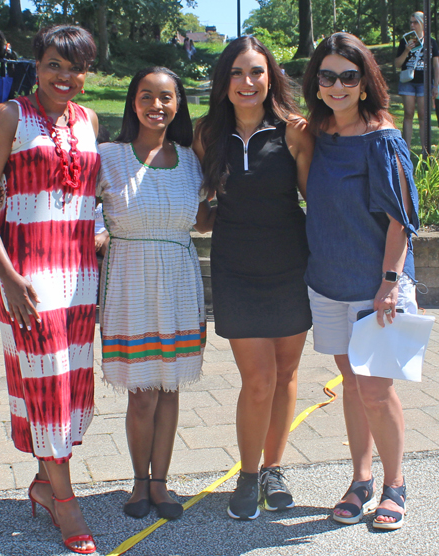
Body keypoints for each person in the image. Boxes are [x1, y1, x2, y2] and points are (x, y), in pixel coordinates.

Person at [0, 25, 100, 554]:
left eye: (75, 67)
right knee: (46, 384)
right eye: (54, 65)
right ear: (37, 65)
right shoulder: (10, 117)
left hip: (80, 274)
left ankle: (45, 486)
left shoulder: (89, 120)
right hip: (27, 275)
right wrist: (7, 276)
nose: (64, 77)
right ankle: (66, 501)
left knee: (69, 386)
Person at [193, 35, 313, 521]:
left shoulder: (294, 131)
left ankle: (274, 469)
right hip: (236, 268)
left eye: (257, 72)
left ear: (271, 78)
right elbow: (198, 208)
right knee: (258, 378)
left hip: (290, 265)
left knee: (285, 375)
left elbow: (317, 200)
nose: (248, 82)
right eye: (238, 73)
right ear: (224, 81)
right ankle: (247, 473)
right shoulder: (205, 135)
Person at [303, 32, 420, 530]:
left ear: (365, 82)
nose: (337, 85)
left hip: (377, 286)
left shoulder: (383, 138)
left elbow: (402, 220)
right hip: (327, 283)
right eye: (327, 76)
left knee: (375, 390)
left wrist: (390, 283)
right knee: (351, 384)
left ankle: (395, 485)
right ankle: (361, 478)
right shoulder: (317, 132)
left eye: (348, 76)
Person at [97, 67, 212, 520]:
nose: (156, 105)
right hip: (128, 280)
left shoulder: (191, 159)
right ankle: (138, 483)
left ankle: (161, 482)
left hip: (179, 280)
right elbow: (84, 207)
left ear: (178, 104)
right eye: (146, 96)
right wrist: (96, 234)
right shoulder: (109, 155)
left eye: (166, 98)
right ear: (133, 102)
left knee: (168, 389)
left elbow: (203, 220)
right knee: (141, 393)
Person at [395, 11, 439, 150]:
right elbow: (397, 64)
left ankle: (425, 150)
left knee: (423, 116)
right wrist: (407, 50)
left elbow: (436, 65)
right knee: (408, 114)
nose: (412, 25)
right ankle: (406, 150)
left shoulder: (431, 42)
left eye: (415, 22)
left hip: (424, 83)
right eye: (411, 22)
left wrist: (435, 85)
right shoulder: (405, 41)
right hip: (408, 82)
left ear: (423, 24)